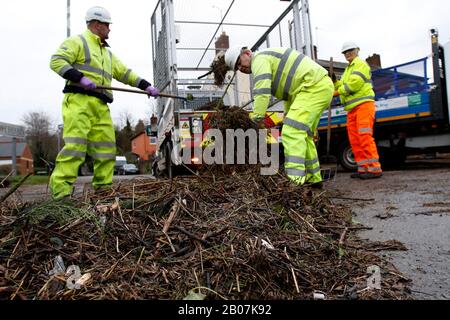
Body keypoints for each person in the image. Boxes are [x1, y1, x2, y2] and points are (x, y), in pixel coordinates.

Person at [49, 6, 159, 200]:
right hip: (78, 102)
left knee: (106, 151)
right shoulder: (78, 41)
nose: (109, 29)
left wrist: (146, 86)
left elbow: (125, 73)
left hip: (101, 106)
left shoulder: (107, 54)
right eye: (107, 25)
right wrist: (80, 78)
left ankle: (103, 191)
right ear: (97, 24)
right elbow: (57, 61)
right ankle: (60, 194)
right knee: (75, 148)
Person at [224, 46, 334, 187]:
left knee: (291, 132)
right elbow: (289, 94)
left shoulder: (259, 60)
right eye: (237, 68)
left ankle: (295, 182)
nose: (240, 68)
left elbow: (262, 92)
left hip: (313, 87)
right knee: (304, 135)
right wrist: (287, 116)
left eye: (239, 63)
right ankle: (315, 179)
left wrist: (256, 118)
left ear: (247, 53)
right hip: (316, 88)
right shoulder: (266, 58)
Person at [334, 42, 382, 179]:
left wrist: (336, 92)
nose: (348, 53)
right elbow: (343, 85)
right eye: (345, 52)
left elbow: (354, 85)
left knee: (364, 136)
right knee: (354, 139)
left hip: (364, 105)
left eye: (350, 51)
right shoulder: (348, 70)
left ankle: (374, 169)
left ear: (357, 51)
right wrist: (334, 81)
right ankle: (363, 168)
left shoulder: (360, 64)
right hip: (352, 109)